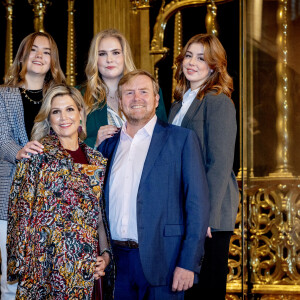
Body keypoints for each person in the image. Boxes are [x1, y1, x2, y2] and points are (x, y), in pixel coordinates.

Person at [97, 69, 209, 300]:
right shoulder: (107, 147)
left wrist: (188, 263)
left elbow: (197, 206)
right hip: (117, 264)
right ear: (120, 102)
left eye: (143, 92)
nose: (136, 98)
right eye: (129, 93)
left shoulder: (182, 140)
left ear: (156, 98)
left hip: (165, 263)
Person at [6, 84, 114, 299]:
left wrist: (105, 254)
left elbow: (99, 216)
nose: (64, 117)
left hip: (86, 268)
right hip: (45, 270)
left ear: (81, 113)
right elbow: (19, 214)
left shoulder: (97, 160)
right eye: (56, 111)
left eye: (70, 109)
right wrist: (20, 266)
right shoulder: (37, 156)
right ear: (49, 118)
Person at [168, 33, 239, 299]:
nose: (192, 62)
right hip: (185, 209)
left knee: (205, 289)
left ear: (214, 65)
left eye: (201, 58)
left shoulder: (218, 101)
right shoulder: (178, 103)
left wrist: (204, 217)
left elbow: (219, 164)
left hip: (211, 217)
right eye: (189, 55)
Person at [0, 31, 65, 300]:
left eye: (46, 52)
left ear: (54, 60)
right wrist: (20, 151)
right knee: (10, 281)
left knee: (48, 277)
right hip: (9, 196)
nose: (39, 56)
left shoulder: (62, 96)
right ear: (22, 57)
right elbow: (1, 136)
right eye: (33, 50)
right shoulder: (4, 94)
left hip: (50, 197)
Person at [81, 28, 167, 148]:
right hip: (100, 166)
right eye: (102, 54)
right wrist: (94, 144)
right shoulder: (79, 95)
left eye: (115, 53)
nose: (109, 60)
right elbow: (68, 144)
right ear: (95, 59)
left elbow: (164, 136)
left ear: (124, 56)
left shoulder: (150, 92)